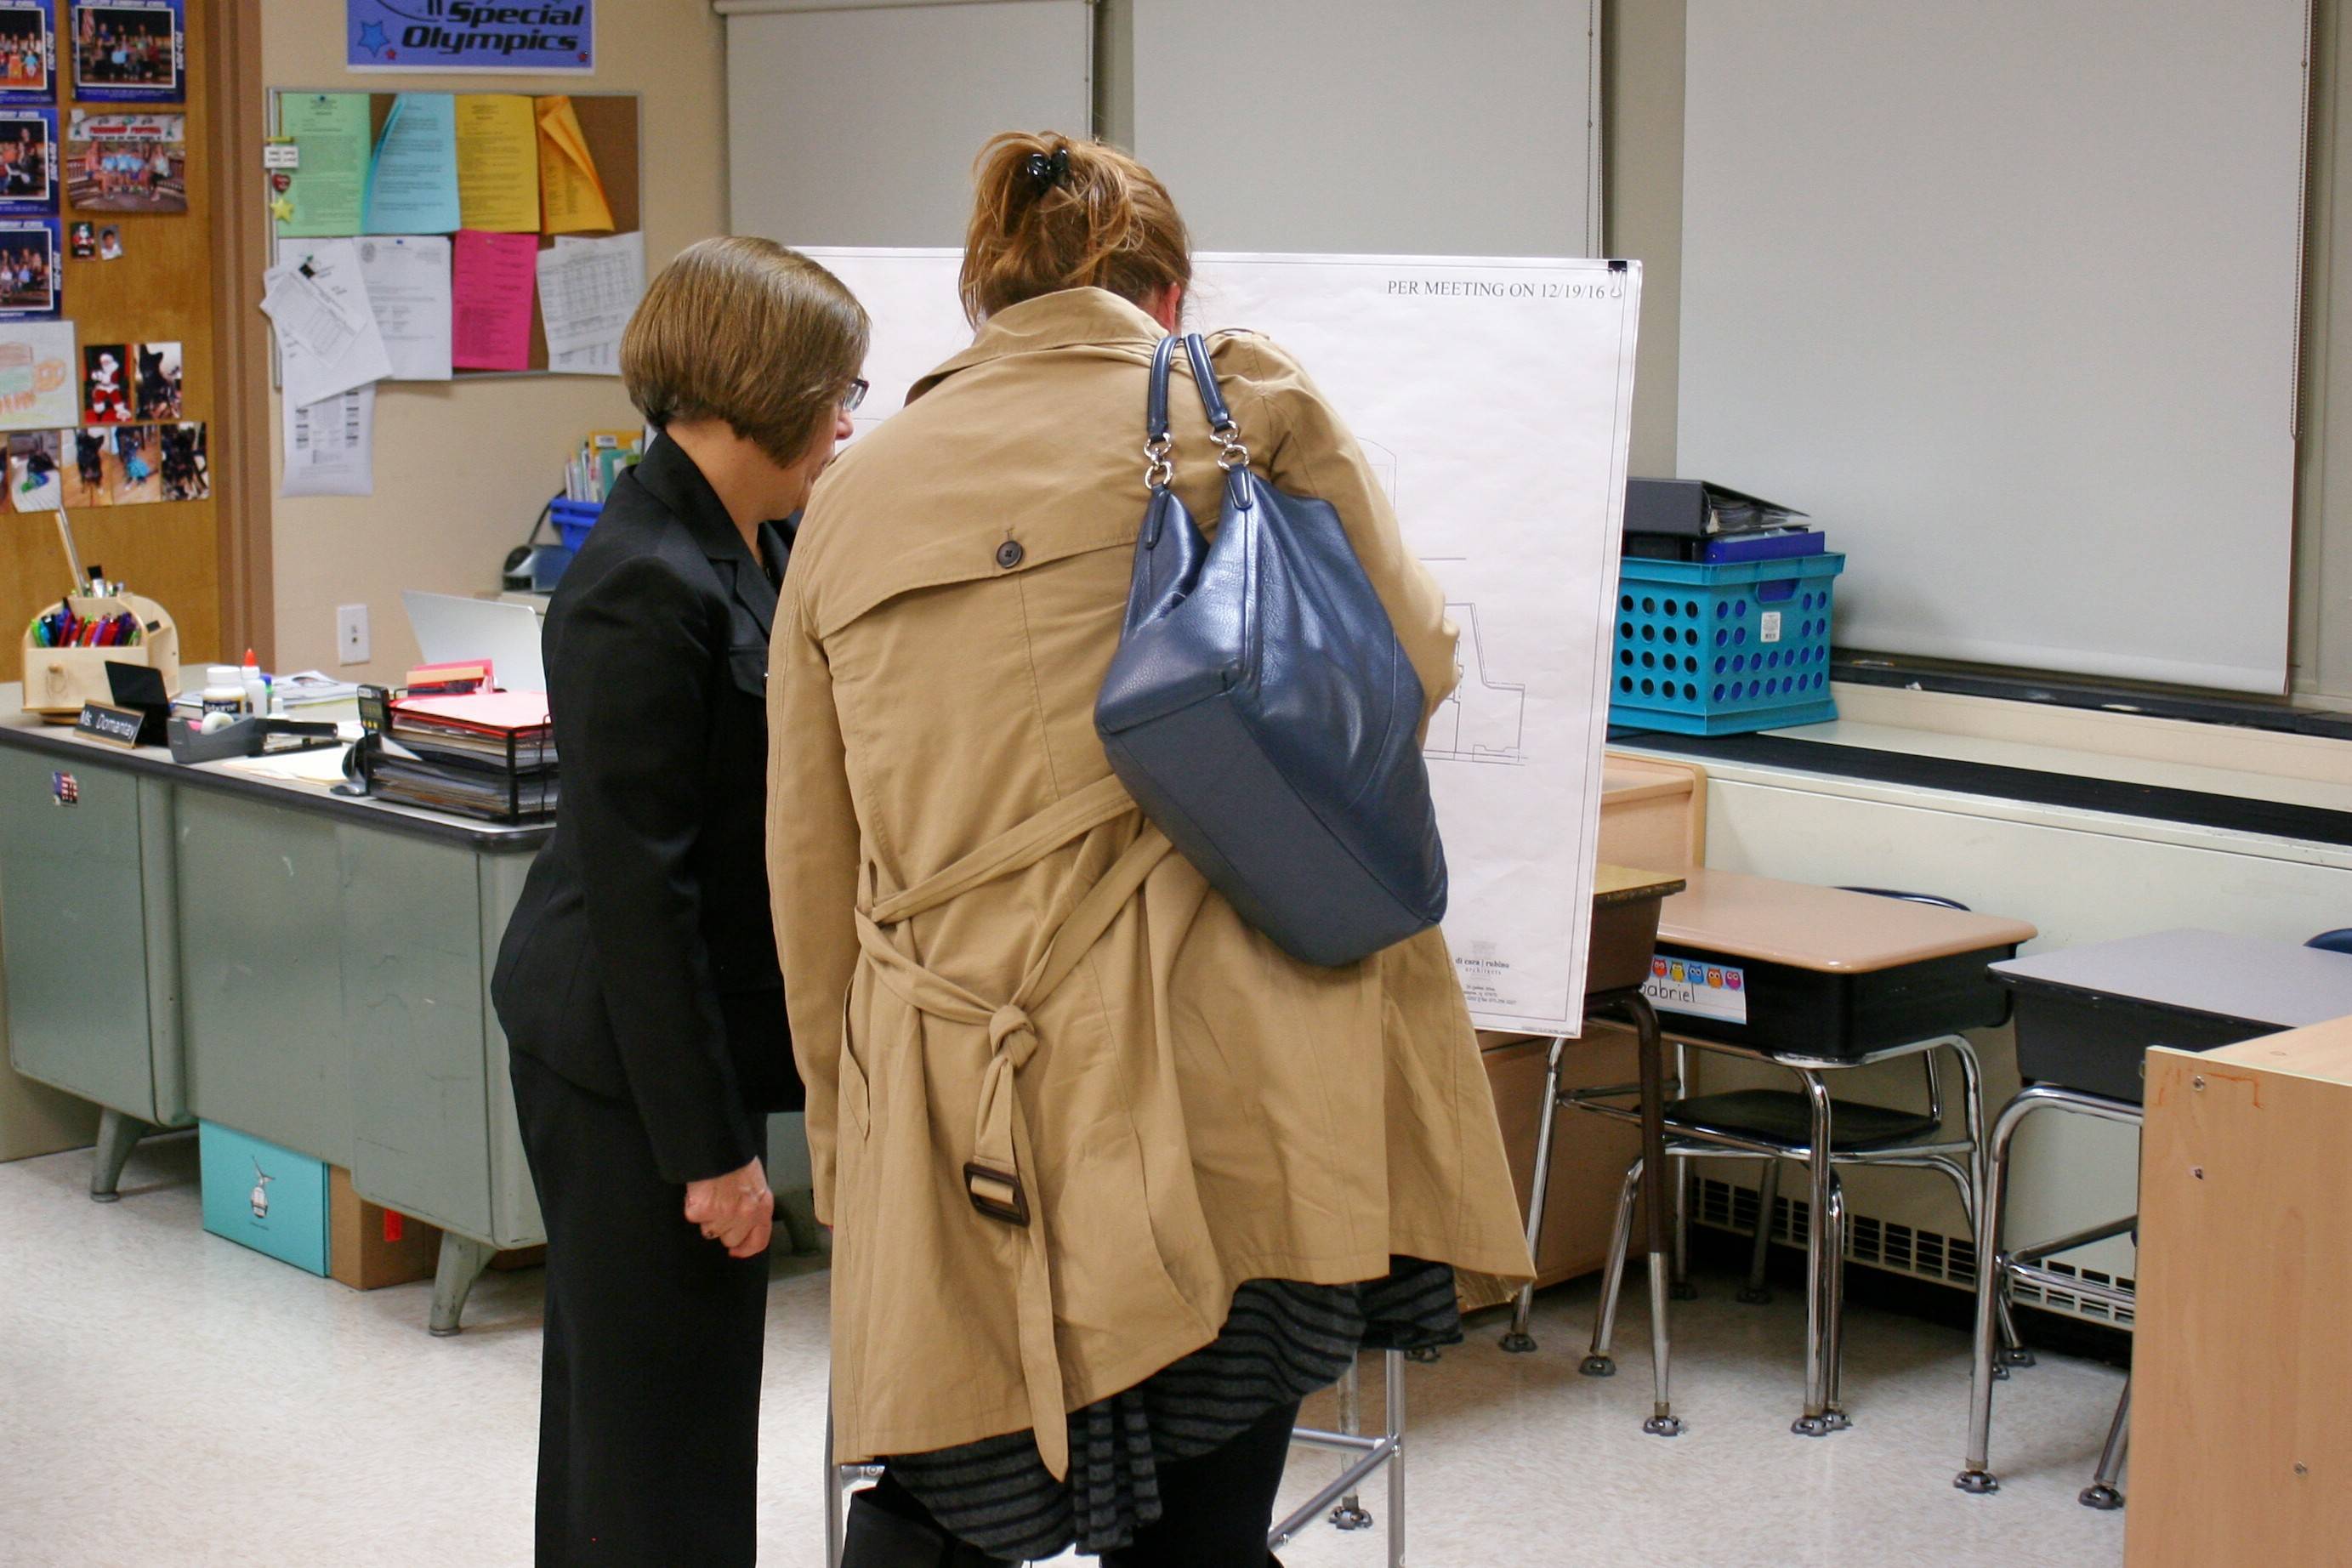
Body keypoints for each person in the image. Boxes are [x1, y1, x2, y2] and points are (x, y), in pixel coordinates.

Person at [770, 133, 1534, 1568]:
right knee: (1202, 1518)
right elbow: (1416, 658)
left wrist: (847, 1130)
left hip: (959, 1093)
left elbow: (811, 863)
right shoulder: (1232, 407)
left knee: (944, 1508)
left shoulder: (849, 498)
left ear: (978, 299)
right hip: (1223, 1066)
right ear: (1166, 295)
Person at [489, 236, 868, 1567]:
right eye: (836, 393)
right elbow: (641, 893)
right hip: (624, 1063)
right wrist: (709, 1152)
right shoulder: (643, 582)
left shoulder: (738, 542)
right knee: (659, 1449)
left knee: (643, 1431)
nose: (841, 424)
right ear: (758, 388)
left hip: (660, 1045)